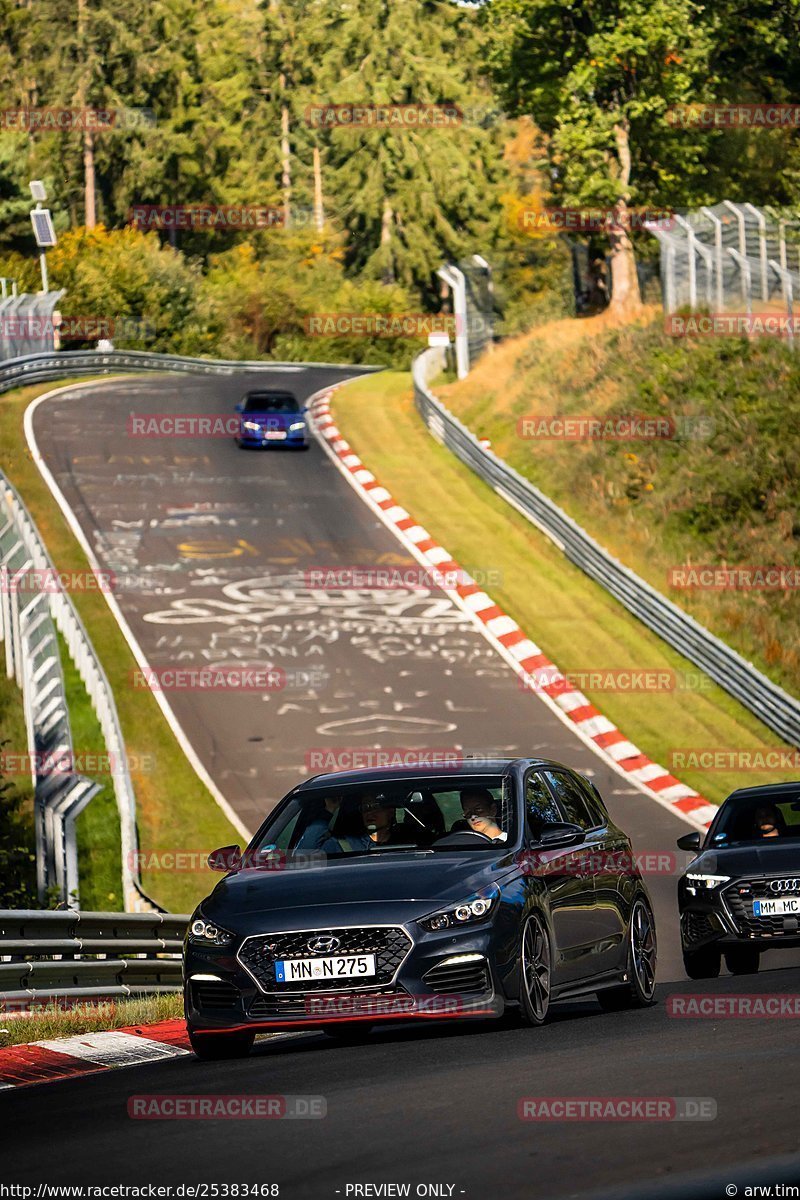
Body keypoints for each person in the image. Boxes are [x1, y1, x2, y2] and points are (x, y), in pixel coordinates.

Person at [297, 791, 408, 853]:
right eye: (365, 807)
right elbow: (302, 856)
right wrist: (330, 810)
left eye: (376, 806)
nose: (369, 812)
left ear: (391, 811)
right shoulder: (342, 845)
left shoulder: (408, 842)